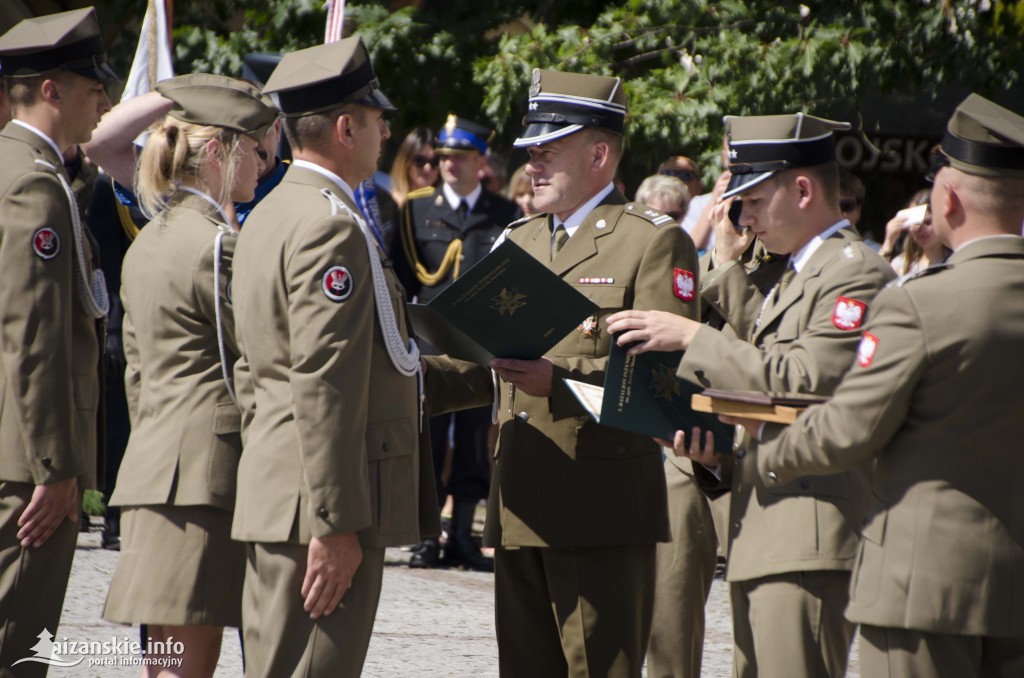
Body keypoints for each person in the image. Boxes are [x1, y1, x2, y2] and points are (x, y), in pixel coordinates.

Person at [732, 93, 1024, 678]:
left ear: (948, 197)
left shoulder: (919, 304)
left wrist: (758, 458)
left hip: (923, 582)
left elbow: (847, 428)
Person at [608, 112, 895, 678]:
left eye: (756, 198)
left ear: (805, 190)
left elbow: (805, 380)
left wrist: (692, 336)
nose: (746, 214)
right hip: (767, 517)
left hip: (810, 524)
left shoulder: (853, 273)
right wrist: (721, 457)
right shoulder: (796, 272)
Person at [462, 68, 700, 676]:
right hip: (519, 502)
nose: (533, 165)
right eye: (530, 152)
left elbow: (663, 386)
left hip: (600, 509)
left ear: (599, 154)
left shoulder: (651, 242)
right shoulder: (518, 240)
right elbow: (482, 361)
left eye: (549, 151)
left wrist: (559, 381)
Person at [229, 36, 442, 677]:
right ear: (346, 128)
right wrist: (336, 523)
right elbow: (324, 382)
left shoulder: (268, 212)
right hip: (316, 510)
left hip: (278, 490)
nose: (385, 134)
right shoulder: (330, 224)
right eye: (378, 120)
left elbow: (251, 367)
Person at [99, 74, 276, 676]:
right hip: (204, 476)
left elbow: (137, 374)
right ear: (220, 153)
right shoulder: (218, 244)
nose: (262, 162)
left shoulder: (149, 240)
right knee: (188, 656)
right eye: (254, 148)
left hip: (152, 465)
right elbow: (241, 368)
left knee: (165, 654)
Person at [0, 7, 116, 672]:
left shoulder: (19, 167)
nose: (101, 100)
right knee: (19, 643)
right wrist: (54, 468)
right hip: (27, 468)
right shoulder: (36, 187)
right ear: (52, 90)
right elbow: (33, 335)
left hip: (17, 454)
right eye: (91, 87)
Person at [396, 114, 521, 571]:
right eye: (443, 157)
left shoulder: (505, 213)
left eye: (459, 157)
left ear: (479, 161)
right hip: (428, 338)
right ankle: (428, 536)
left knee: (472, 439)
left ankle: (464, 536)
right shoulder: (415, 209)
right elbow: (403, 280)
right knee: (427, 437)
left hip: (478, 341)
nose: (448, 165)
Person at [880, 188, 950, 275]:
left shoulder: (955, 261)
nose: (919, 228)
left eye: (928, 222)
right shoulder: (901, 264)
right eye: (915, 223)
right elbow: (877, 281)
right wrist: (889, 242)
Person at [389, 125, 439, 208]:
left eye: (435, 162)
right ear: (405, 161)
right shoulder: (382, 202)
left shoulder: (442, 209)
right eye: (420, 161)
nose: (427, 168)